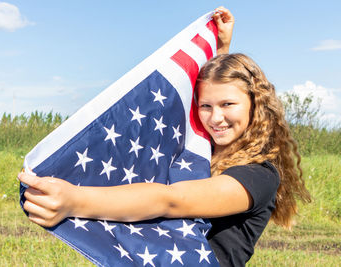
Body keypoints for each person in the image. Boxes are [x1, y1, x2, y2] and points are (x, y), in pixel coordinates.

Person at [18, 7, 311, 267]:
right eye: (205, 106)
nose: (215, 118)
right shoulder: (205, 148)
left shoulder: (259, 176)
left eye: (228, 105)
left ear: (256, 106)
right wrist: (221, 48)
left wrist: (75, 200)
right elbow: (220, 90)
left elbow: (173, 201)